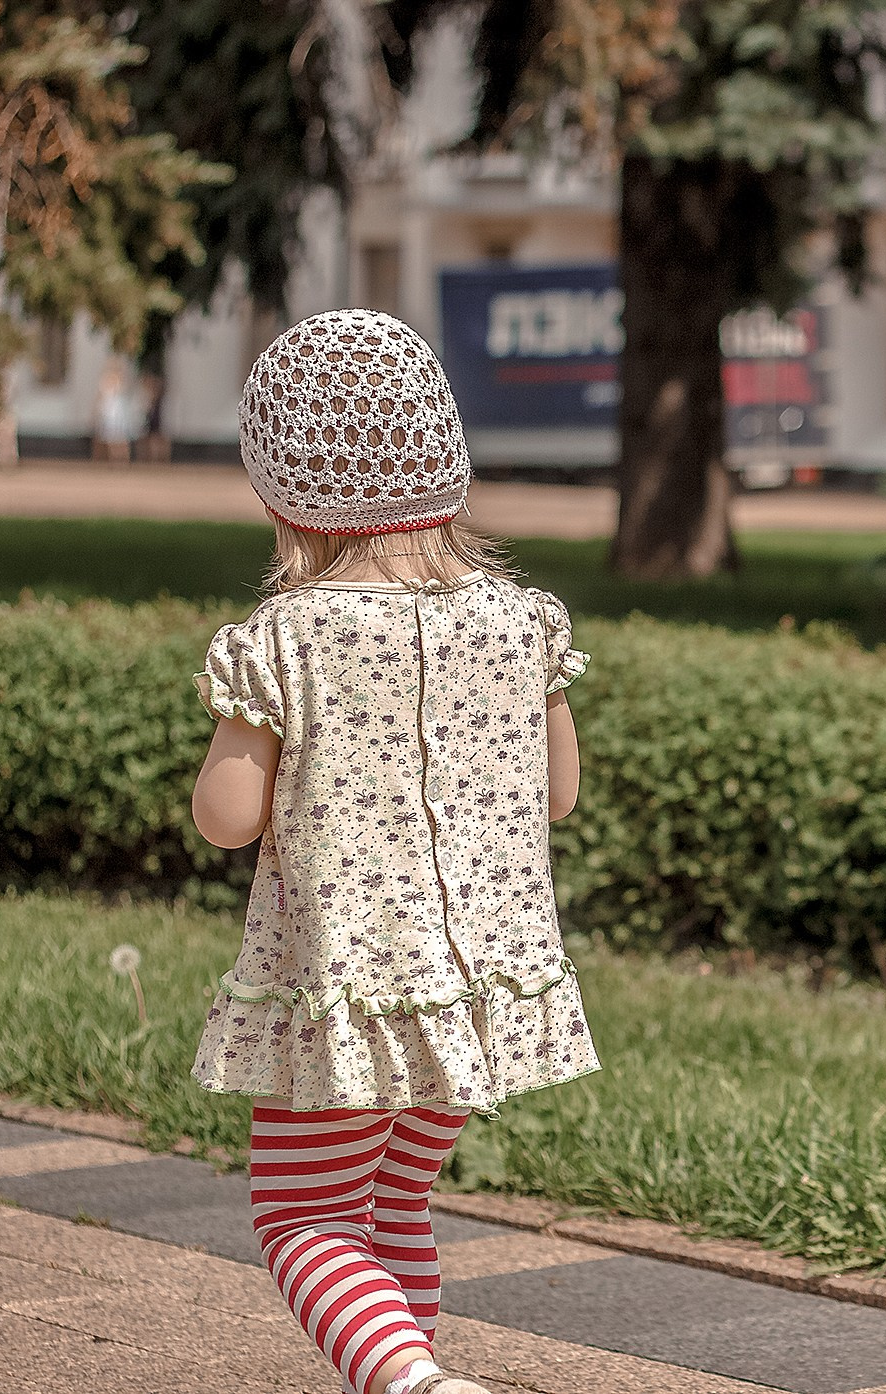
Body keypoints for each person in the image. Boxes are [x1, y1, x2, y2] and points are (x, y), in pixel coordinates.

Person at [189, 309, 600, 1394]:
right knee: (394, 1202)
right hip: (477, 988)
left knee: (303, 1211)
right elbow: (558, 795)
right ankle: (400, 1376)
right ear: (446, 467)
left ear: (281, 494)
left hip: (350, 985)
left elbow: (230, 815)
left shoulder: (286, 636)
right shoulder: (525, 622)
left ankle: (412, 1384)